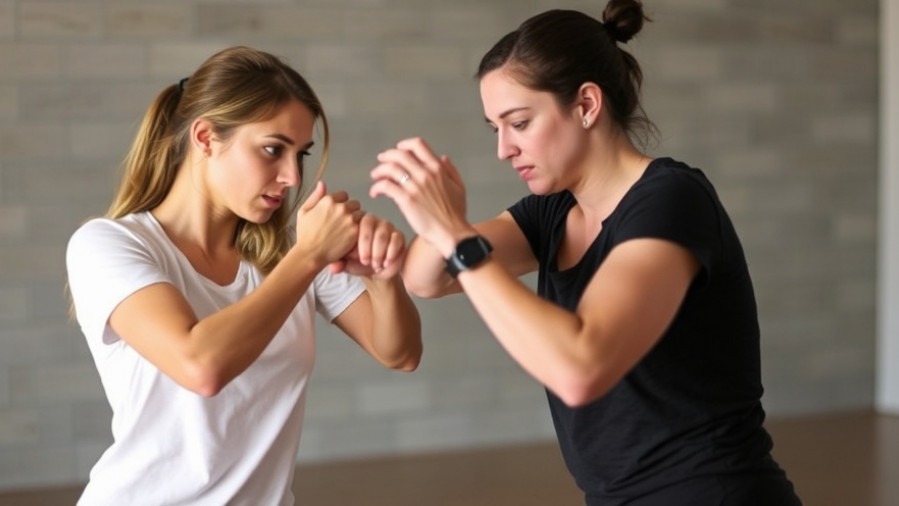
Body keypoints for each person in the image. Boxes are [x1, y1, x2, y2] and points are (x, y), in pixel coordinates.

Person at [369, 2, 802, 505]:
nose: (504, 148)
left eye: (520, 122)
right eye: (496, 129)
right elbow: (428, 278)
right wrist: (443, 226)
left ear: (587, 104)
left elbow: (580, 370)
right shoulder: (551, 214)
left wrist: (456, 236)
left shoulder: (671, 199)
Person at [65, 46, 422, 505]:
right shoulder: (109, 244)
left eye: (301, 154)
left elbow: (401, 353)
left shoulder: (287, 255)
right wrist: (310, 255)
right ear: (206, 137)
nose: (292, 176)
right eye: (273, 149)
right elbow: (201, 365)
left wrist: (382, 275)